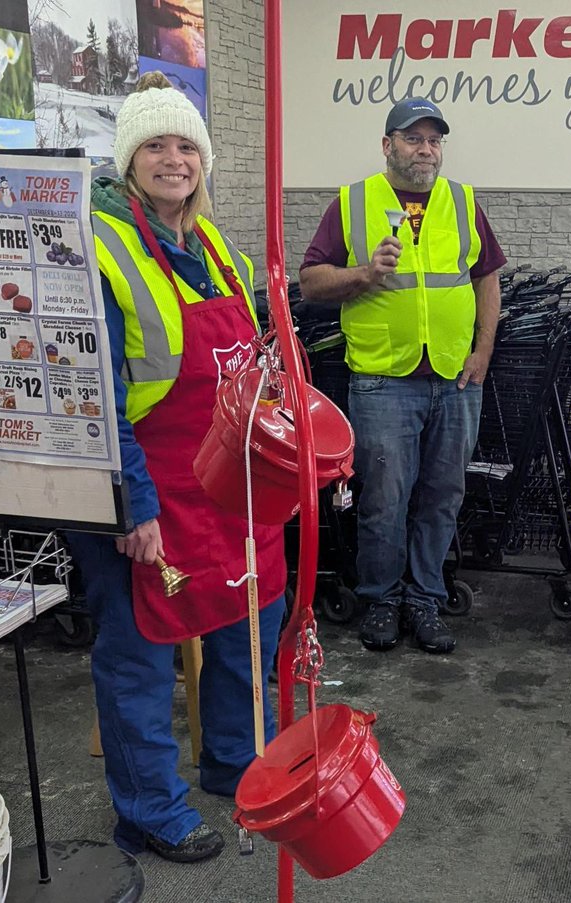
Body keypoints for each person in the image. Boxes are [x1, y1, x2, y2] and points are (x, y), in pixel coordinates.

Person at [67, 71, 286, 862]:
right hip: (147, 486)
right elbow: (92, 393)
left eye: (185, 144)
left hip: (231, 486)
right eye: (154, 145)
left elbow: (251, 361)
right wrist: (133, 506)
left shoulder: (215, 244)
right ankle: (149, 808)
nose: (173, 158)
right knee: (140, 651)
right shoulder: (95, 244)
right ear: (129, 160)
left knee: (247, 615)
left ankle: (232, 757)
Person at [300, 97, 505, 654]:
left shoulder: (462, 202)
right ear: (387, 145)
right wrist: (365, 273)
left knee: (443, 493)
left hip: (455, 377)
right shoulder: (353, 202)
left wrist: (482, 351)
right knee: (385, 498)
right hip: (384, 378)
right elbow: (311, 283)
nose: (426, 149)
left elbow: (488, 278)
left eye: (434, 140)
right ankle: (382, 598)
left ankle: (425, 598)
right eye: (413, 138)